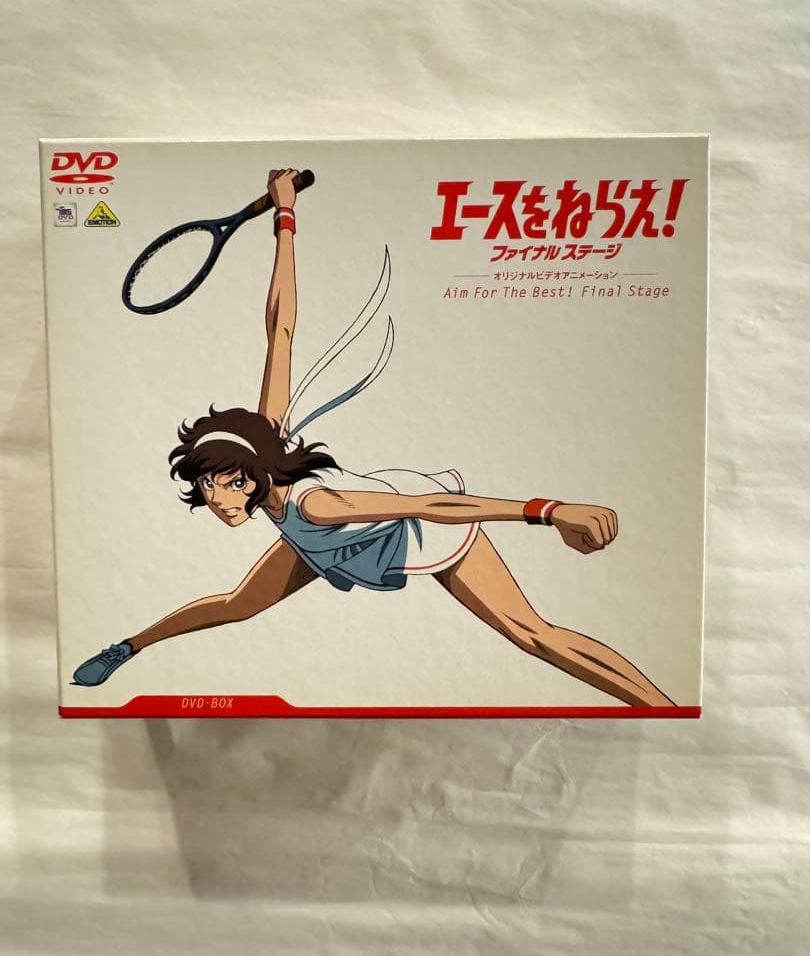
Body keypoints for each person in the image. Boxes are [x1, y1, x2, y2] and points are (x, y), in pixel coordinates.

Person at [72, 168, 674, 707]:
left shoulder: (319, 503)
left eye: (227, 483)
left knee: (530, 634)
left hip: (416, 531)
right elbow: (281, 327)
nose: (218, 499)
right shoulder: (266, 439)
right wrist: (286, 219)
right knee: (237, 604)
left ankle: (661, 705)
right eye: (208, 487)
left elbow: (432, 506)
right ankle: (126, 647)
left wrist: (550, 510)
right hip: (325, 543)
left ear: (252, 472)